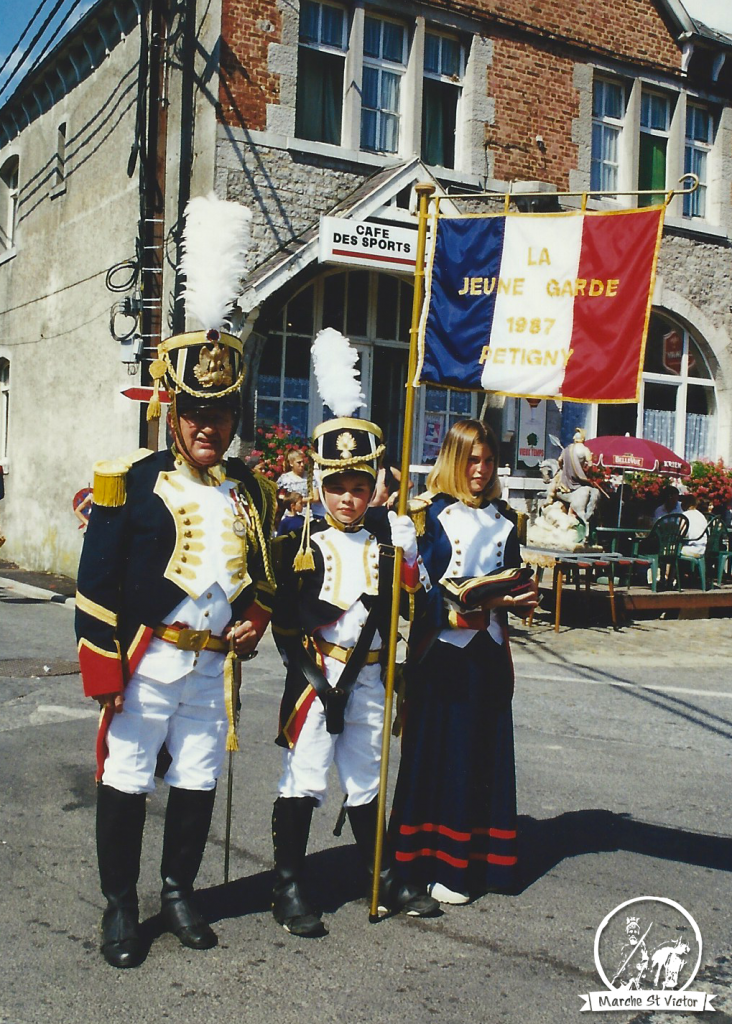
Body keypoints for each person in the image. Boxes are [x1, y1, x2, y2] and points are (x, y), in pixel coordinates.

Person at [75, 195, 277, 969]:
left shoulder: (251, 491)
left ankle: (179, 893)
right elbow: (95, 585)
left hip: (212, 670)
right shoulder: (127, 481)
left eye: (220, 411)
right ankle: (121, 907)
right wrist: (104, 671)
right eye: (194, 410)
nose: (207, 425)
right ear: (172, 410)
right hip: (147, 659)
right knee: (127, 779)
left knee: (198, 778)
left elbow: (263, 578)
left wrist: (256, 618)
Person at [269, 414, 439, 937]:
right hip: (318, 675)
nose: (347, 498)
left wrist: (411, 556)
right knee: (306, 777)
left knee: (367, 778)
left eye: (359, 488)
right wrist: (314, 677)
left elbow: (418, 598)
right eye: (337, 487)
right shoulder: (301, 542)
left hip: (371, 676)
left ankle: (383, 875)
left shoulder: (387, 539)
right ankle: (290, 884)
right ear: (321, 489)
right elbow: (284, 620)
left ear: (373, 489)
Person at [388, 419, 537, 906]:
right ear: (453, 459)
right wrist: (466, 605)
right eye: (472, 459)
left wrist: (521, 597)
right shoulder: (425, 517)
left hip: (489, 659)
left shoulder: (506, 520)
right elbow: (413, 598)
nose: (481, 469)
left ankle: (475, 865)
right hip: (441, 658)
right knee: (438, 760)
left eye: (489, 460)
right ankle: (423, 864)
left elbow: (513, 582)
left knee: (479, 758)